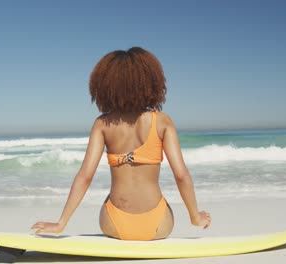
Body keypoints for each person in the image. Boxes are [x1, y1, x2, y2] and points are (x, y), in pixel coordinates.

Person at [31, 47, 211, 240]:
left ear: (106, 85)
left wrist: (61, 223)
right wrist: (195, 216)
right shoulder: (162, 122)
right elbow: (181, 175)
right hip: (158, 224)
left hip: (114, 224)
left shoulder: (103, 124)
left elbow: (85, 176)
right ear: (151, 82)